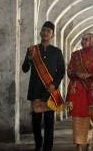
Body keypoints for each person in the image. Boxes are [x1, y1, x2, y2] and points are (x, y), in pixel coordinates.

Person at [22, 21, 65, 151]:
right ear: (40, 32)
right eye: (44, 30)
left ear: (52, 35)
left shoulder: (57, 52)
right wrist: (29, 58)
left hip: (50, 92)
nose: (46, 32)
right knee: (35, 122)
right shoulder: (32, 50)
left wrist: (54, 85)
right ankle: (38, 144)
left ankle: (48, 147)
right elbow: (24, 69)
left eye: (49, 31)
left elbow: (61, 71)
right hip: (35, 91)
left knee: (49, 122)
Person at [66, 33, 93, 151]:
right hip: (77, 90)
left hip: (91, 90)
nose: (83, 41)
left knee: (90, 117)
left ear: (92, 42)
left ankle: (89, 142)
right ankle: (79, 145)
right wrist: (77, 73)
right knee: (77, 118)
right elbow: (69, 69)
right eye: (82, 39)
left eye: (86, 39)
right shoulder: (75, 55)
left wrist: (90, 74)